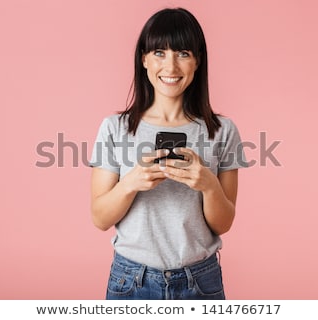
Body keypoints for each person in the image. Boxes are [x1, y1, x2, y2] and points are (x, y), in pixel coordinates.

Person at [90, 7, 246, 300]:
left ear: (198, 61)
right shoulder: (114, 128)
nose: (171, 66)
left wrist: (208, 185)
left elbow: (223, 224)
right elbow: (100, 218)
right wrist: (131, 183)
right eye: (159, 52)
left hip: (200, 280)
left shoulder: (223, 130)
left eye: (183, 53)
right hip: (131, 280)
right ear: (144, 58)